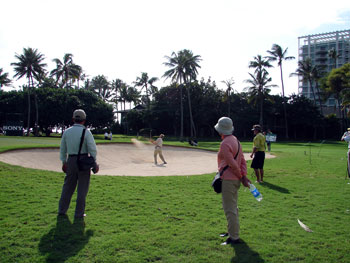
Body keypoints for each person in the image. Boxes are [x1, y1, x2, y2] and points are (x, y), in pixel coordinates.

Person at [214, 117, 250, 245]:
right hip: (234, 179)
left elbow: (232, 163)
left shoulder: (225, 143)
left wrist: (241, 176)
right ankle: (231, 231)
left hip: (229, 179)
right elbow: (242, 161)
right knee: (233, 207)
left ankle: (234, 237)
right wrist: (243, 175)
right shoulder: (236, 140)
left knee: (230, 209)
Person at [58, 109, 99, 218]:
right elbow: (93, 150)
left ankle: (62, 210)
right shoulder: (86, 132)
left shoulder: (67, 131)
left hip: (71, 160)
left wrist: (64, 162)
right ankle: (79, 213)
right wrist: (94, 162)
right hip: (84, 161)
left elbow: (63, 149)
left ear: (73, 119)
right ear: (84, 120)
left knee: (67, 187)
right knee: (82, 188)